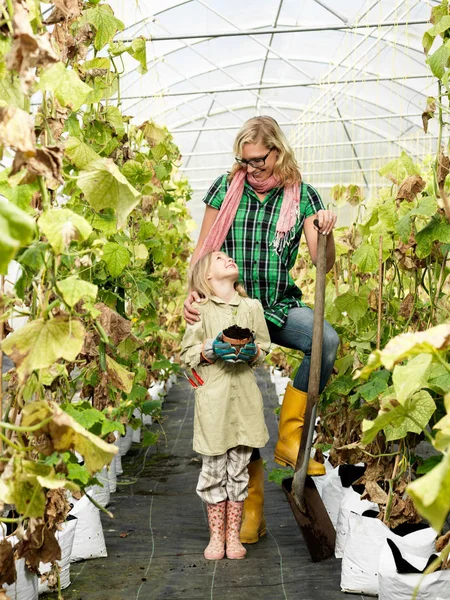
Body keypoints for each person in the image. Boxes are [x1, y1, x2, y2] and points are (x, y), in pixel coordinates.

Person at [184, 116, 339, 545]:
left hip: (276, 306)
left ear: (278, 151)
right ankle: (249, 511)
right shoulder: (225, 188)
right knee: (238, 404)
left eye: (258, 160)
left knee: (325, 341)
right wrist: (192, 293)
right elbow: (204, 248)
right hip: (230, 311)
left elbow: (323, 263)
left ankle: (292, 438)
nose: (251, 168)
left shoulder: (303, 198)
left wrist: (327, 232)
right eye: (244, 161)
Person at [180, 251, 271, 560]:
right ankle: (216, 536)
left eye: (230, 257)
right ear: (206, 276)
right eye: (220, 258)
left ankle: (233, 536)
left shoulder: (251, 307)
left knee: (239, 472)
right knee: (213, 471)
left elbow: (265, 347)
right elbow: (186, 353)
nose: (229, 259)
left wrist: (252, 352)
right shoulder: (200, 311)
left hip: (244, 403)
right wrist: (210, 349)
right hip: (214, 404)